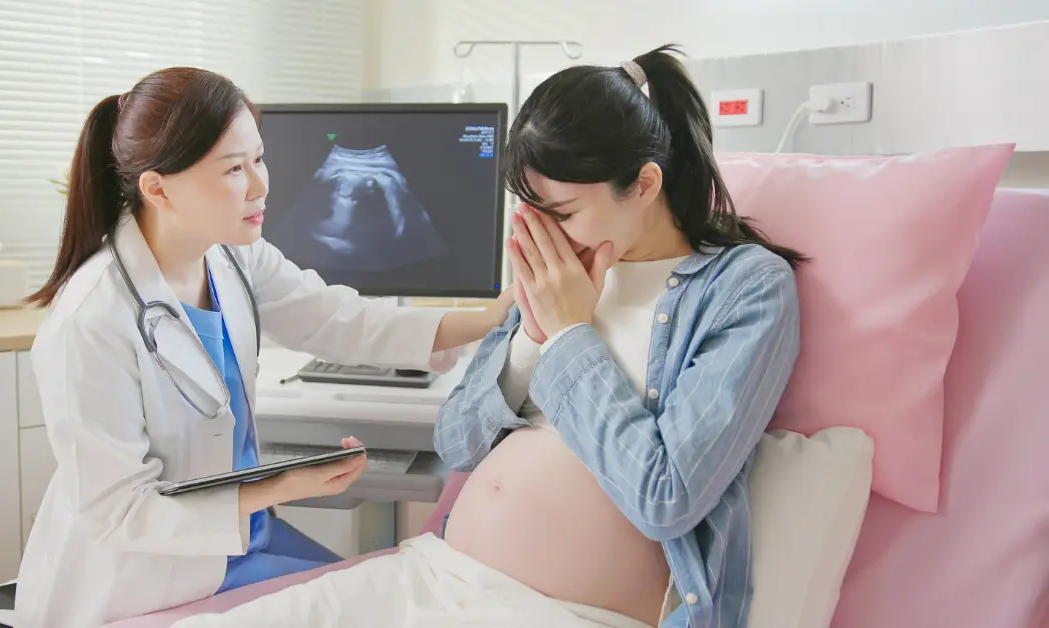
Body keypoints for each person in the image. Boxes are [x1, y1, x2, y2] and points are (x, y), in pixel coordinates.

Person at [170, 45, 803, 628]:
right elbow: (458, 442)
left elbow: (667, 499)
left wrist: (569, 337)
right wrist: (527, 339)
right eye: (531, 211)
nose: (545, 236)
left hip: (563, 611)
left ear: (643, 184)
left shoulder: (743, 288)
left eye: (564, 213)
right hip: (437, 575)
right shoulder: (561, 271)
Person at [13, 67, 512, 628]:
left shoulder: (231, 256)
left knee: (391, 595)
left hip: (241, 541)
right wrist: (280, 482)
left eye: (259, 158)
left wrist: (492, 318)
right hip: (146, 575)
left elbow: (337, 319)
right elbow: (121, 512)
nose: (260, 185)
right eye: (233, 169)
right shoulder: (91, 320)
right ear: (157, 188)